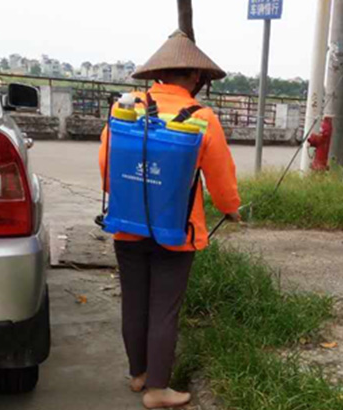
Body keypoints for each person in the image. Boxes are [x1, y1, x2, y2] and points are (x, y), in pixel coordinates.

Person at [99, 30, 241, 409]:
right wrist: (231, 209)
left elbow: (107, 168)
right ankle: (158, 390)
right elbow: (221, 180)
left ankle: (139, 375)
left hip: (127, 226)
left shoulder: (126, 109)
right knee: (164, 308)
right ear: (196, 77)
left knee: (134, 303)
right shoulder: (202, 118)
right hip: (176, 232)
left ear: (158, 74)